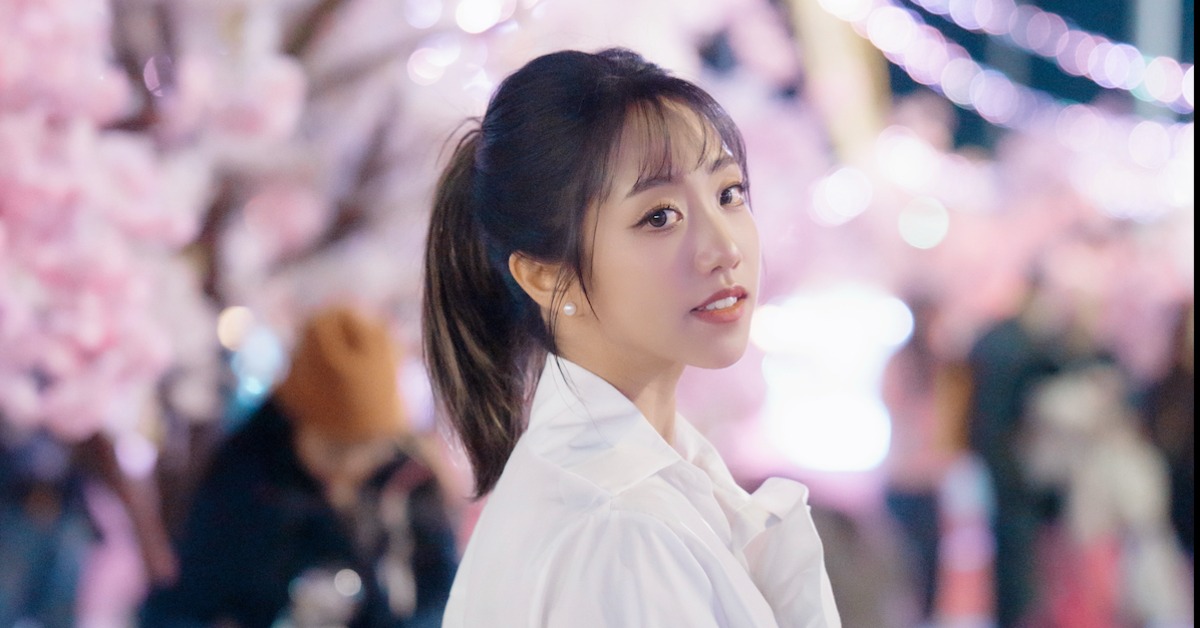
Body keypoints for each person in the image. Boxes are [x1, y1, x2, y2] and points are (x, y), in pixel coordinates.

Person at [423, 48, 840, 627]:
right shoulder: (619, 527)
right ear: (545, 276)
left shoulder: (629, 484)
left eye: (729, 193)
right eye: (659, 216)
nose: (726, 249)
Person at [141, 306, 458, 627]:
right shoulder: (244, 480)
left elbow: (444, 596)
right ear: (295, 422)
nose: (350, 466)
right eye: (335, 449)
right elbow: (181, 600)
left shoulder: (408, 483)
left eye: (368, 447)